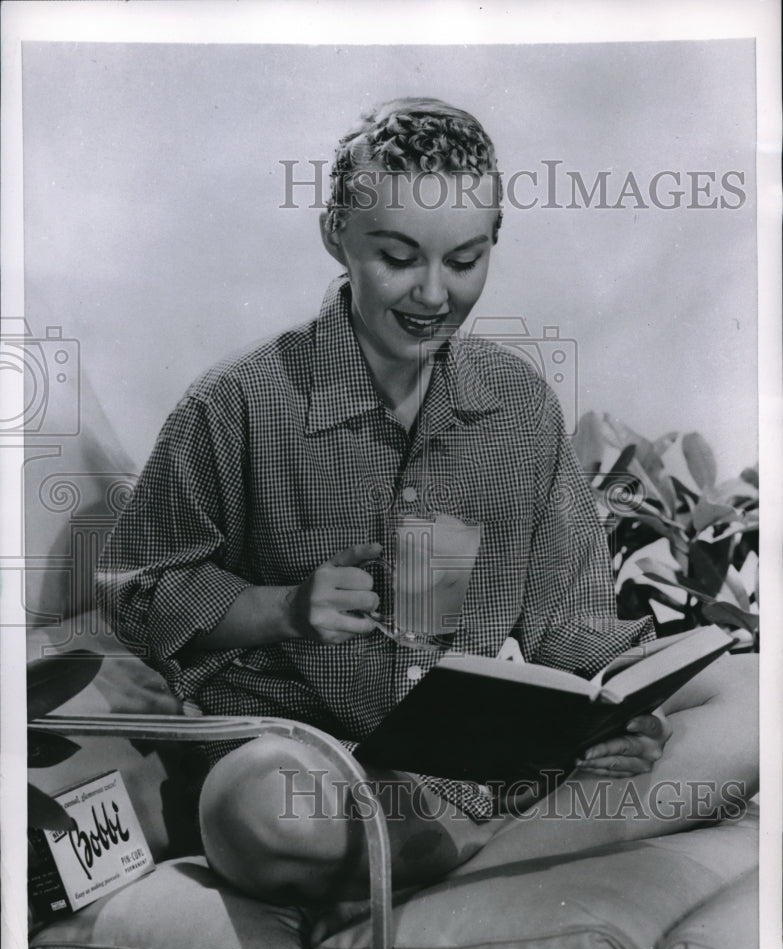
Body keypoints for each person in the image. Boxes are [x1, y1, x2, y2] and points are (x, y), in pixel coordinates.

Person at [96, 98, 757, 904]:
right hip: (313, 760)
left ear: (491, 247)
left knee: (760, 695)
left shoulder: (517, 405)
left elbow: (572, 631)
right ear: (336, 233)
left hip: (474, 764)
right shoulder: (235, 402)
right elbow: (138, 590)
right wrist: (282, 608)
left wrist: (613, 725)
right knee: (259, 810)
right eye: (399, 257)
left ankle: (461, 865)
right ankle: (528, 851)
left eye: (465, 260)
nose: (434, 293)